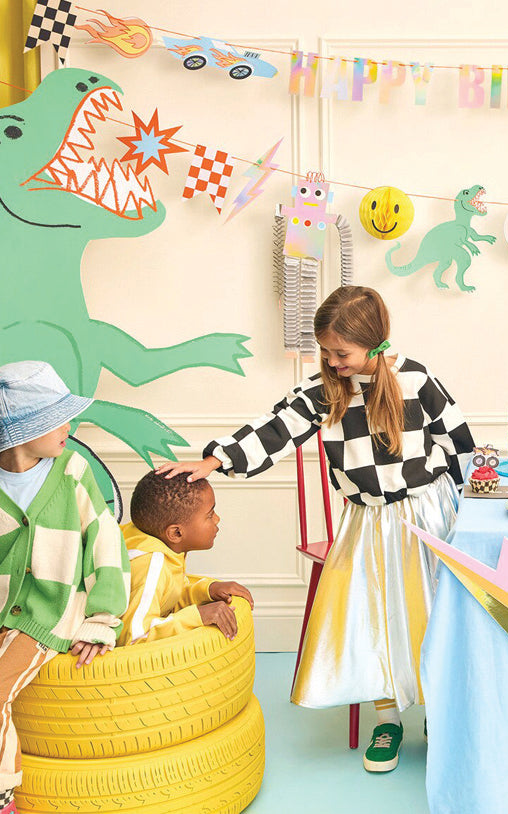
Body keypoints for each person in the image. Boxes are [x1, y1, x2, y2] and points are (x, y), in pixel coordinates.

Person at [157, 285, 475, 773]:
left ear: (374, 341)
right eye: (325, 351)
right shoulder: (324, 392)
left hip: (427, 517)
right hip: (368, 521)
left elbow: (460, 444)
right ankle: (387, 719)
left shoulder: (416, 380)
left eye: (341, 353)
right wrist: (215, 460)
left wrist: (469, 508)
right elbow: (273, 429)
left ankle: (437, 711)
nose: (332, 361)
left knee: (434, 613)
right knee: (371, 616)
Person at [0, 361, 129, 814]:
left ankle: (3, 798)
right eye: (55, 420)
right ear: (20, 431)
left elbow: (105, 544)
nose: (68, 429)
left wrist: (101, 619)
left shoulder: (73, 469)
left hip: (46, 614)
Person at [118, 471, 253, 646]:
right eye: (210, 514)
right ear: (176, 533)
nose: (217, 519)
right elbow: (134, 637)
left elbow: (167, 597)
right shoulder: (151, 564)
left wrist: (206, 591)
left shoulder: (151, 541)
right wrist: (198, 616)